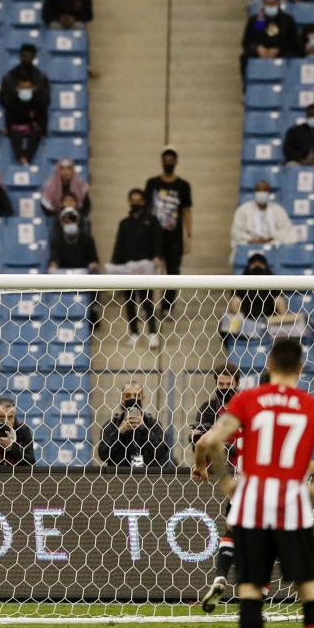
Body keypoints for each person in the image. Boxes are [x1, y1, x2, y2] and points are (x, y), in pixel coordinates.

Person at [193, 337, 314, 628]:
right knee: (310, 589)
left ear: (268, 364)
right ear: (301, 368)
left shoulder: (249, 400)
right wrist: (313, 490)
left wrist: (219, 479)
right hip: (293, 508)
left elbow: (208, 442)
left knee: (251, 589)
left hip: (252, 507)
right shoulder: (313, 406)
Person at [143, 147, 193, 318]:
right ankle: (147, 306)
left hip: (174, 236)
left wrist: (189, 235)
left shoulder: (183, 186)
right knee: (150, 271)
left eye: (172, 159)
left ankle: (167, 307)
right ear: (161, 161)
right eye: (166, 159)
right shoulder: (152, 184)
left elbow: (187, 211)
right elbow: (146, 208)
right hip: (154, 235)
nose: (169, 162)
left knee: (173, 272)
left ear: (176, 162)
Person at [113, 189, 164, 348]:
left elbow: (158, 240)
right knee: (129, 301)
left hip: (145, 267)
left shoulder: (152, 220)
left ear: (144, 201)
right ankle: (134, 333)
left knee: (147, 301)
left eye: (138, 199)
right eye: (132, 199)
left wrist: (157, 256)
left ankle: (153, 333)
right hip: (128, 267)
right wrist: (116, 264)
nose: (136, 202)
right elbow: (119, 246)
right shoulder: (124, 223)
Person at [97, 382, 170, 468]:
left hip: (147, 478)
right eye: (128, 396)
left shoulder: (153, 424)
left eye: (137, 396)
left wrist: (144, 428)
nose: (132, 399)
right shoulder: (111, 426)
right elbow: (103, 455)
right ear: (122, 399)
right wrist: (119, 432)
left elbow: (161, 453)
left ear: (142, 399)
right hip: (119, 478)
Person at [223, 253, 301, 333]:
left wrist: (282, 318)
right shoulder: (240, 282)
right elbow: (235, 303)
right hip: (246, 320)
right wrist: (243, 319)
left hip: (269, 320)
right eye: (254, 263)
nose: (257, 265)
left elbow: (280, 303)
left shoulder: (273, 281)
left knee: (299, 318)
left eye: (260, 264)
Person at [188, 363, 240, 465]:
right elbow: (199, 441)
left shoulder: (244, 407)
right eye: (221, 384)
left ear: (237, 384)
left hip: (239, 469)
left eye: (229, 384)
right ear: (216, 383)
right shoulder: (207, 408)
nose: (225, 388)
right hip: (212, 470)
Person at [241, 0, 299, 76]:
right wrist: (258, 47)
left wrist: (279, 49)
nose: (270, 6)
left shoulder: (287, 19)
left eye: (273, 3)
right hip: (261, 49)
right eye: (268, 4)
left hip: (282, 49)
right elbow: (247, 40)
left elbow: (294, 41)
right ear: (263, 4)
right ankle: (248, 85)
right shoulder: (257, 19)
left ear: (278, 4)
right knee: (245, 57)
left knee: (293, 57)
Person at [231, 181, 296, 255]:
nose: (262, 193)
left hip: (273, 247)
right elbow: (236, 232)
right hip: (249, 247)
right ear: (255, 192)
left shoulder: (278, 210)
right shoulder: (243, 210)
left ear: (269, 193)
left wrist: (270, 238)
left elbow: (287, 230)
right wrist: (251, 240)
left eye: (264, 191)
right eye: (259, 191)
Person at [2, 77, 47, 165]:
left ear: (33, 89)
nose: (25, 91)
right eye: (22, 88)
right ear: (18, 89)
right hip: (16, 128)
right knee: (15, 134)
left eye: (27, 88)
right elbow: (10, 119)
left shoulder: (38, 102)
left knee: (36, 134)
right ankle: (20, 158)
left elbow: (41, 119)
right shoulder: (12, 101)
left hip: (32, 128)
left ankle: (26, 158)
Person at [0, 43, 51, 112]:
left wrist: (33, 93)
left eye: (29, 56)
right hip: (15, 116)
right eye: (24, 55)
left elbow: (45, 100)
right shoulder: (10, 76)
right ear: (20, 56)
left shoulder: (40, 78)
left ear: (33, 57)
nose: (27, 58)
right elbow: (3, 99)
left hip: (34, 117)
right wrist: (17, 93)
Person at [49, 208, 100, 273]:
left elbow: (93, 258)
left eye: (73, 221)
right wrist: (53, 267)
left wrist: (93, 265)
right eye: (67, 222)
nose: (70, 224)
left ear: (77, 222)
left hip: (84, 274)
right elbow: (54, 259)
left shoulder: (87, 239)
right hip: (62, 275)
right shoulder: (56, 240)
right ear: (61, 223)